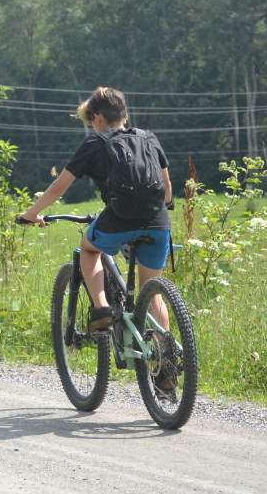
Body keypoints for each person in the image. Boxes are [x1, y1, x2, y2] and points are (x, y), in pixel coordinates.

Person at [18, 86, 174, 338]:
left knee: (88, 250)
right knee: (152, 295)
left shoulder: (94, 143)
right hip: (158, 220)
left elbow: (59, 188)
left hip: (119, 219)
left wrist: (31, 213)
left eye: (91, 121)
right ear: (124, 115)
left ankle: (101, 309)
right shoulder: (148, 138)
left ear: (98, 118)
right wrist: (159, 210)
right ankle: (165, 364)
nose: (91, 127)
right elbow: (167, 187)